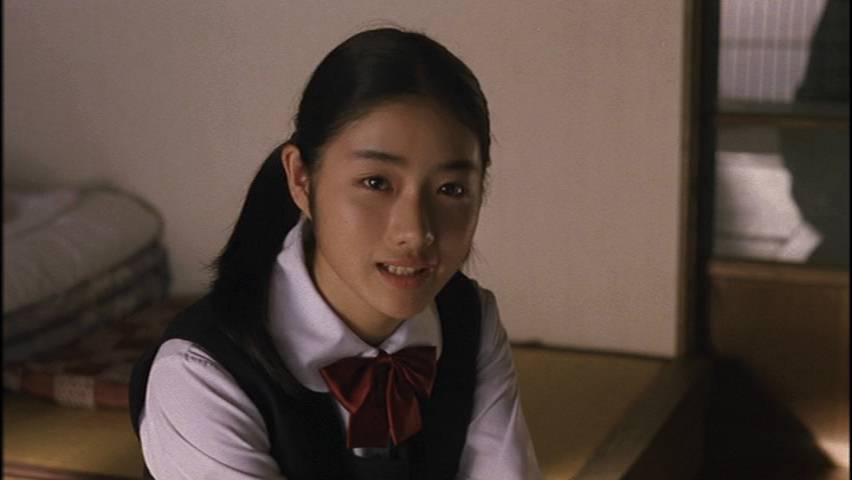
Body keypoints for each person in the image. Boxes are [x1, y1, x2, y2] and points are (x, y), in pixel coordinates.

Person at [129, 27, 542, 479]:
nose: (415, 232)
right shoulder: (199, 375)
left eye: (451, 189)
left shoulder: (470, 321)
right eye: (376, 183)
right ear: (301, 179)